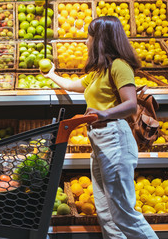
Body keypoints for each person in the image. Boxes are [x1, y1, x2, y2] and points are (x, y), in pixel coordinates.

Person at [42, 16, 159, 239]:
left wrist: (102, 113)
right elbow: (72, 85)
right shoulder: (99, 71)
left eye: (90, 36)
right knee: (106, 212)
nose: (86, 41)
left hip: (115, 138)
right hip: (100, 141)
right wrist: (52, 75)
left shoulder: (119, 66)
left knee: (123, 213)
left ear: (100, 39)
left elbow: (130, 103)